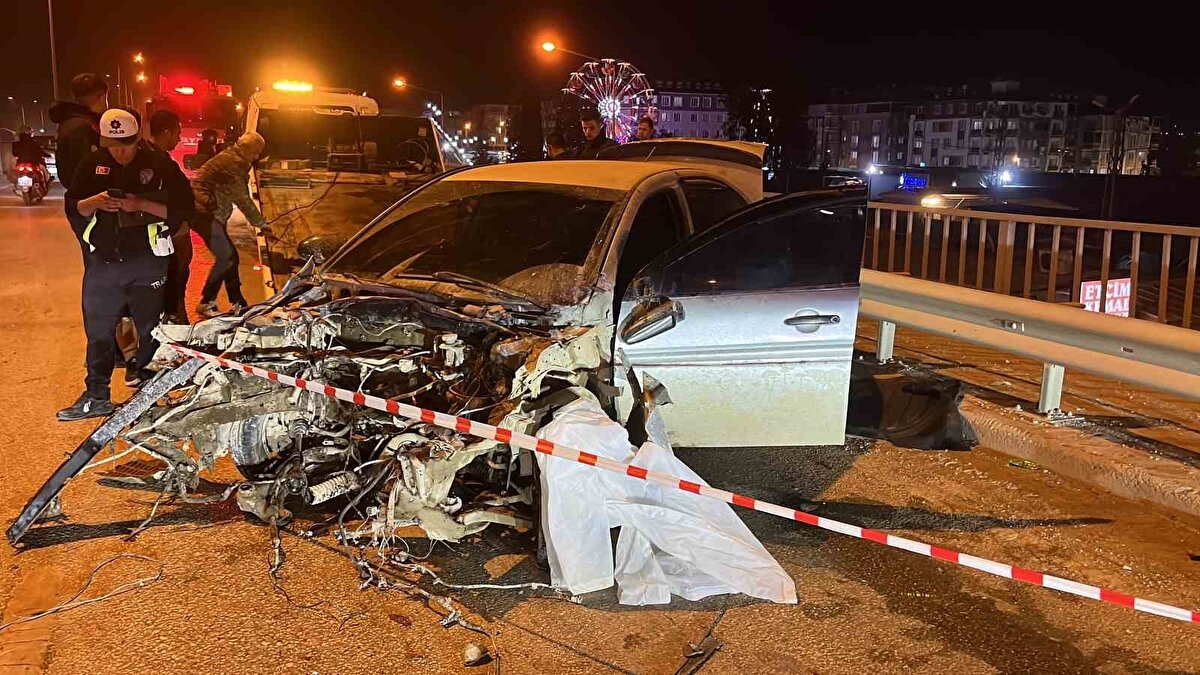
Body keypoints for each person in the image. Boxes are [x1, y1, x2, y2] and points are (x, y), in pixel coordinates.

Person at [57, 109, 193, 421]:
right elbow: (74, 206)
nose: (119, 152)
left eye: (126, 145)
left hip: (148, 262)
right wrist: (95, 202)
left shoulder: (159, 164)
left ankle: (149, 399)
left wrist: (140, 204)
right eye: (112, 146)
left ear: (138, 138)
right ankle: (96, 396)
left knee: (151, 332)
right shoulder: (92, 163)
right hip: (103, 263)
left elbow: (184, 210)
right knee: (99, 332)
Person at [191, 132, 269, 318]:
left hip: (207, 212)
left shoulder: (231, 157)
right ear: (245, 148)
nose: (256, 157)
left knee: (230, 257)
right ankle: (206, 302)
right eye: (255, 152)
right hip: (204, 213)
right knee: (227, 257)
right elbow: (242, 198)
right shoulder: (234, 163)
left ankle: (237, 302)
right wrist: (261, 224)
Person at [145, 109, 194, 324]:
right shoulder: (159, 162)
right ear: (166, 133)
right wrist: (180, 223)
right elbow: (177, 198)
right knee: (175, 276)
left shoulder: (151, 157)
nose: (179, 139)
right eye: (177, 134)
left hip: (166, 230)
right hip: (168, 232)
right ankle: (174, 317)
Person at [50, 73, 108, 196]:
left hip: (81, 194)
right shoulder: (82, 127)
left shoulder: (70, 121)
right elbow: (85, 169)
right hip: (90, 196)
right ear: (102, 97)